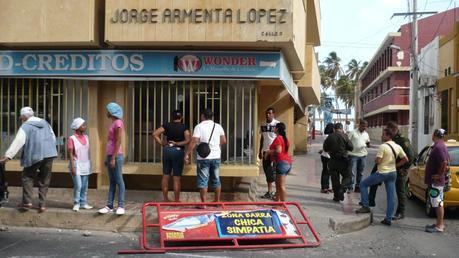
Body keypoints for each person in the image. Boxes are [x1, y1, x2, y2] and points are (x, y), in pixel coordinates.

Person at [0, 107, 57, 213]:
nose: (20, 118)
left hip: (35, 155)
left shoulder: (25, 126)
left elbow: (18, 141)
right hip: (50, 154)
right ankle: (42, 205)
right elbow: (53, 137)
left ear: (23, 116)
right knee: (44, 180)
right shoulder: (45, 123)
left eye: (21, 116)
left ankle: (27, 202)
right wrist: (50, 149)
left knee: (27, 177)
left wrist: (8, 156)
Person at [356, 128, 408, 226]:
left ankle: (365, 205)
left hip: (382, 173)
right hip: (393, 173)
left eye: (383, 134)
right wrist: (395, 166)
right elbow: (405, 159)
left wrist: (376, 159)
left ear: (388, 136)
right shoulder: (397, 146)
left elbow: (378, 161)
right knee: (391, 197)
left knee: (363, 184)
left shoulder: (383, 146)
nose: (381, 136)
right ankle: (388, 219)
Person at [369, 121, 415, 219]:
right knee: (372, 180)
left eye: (389, 130)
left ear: (394, 130)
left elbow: (410, 157)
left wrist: (404, 168)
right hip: (384, 166)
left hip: (398, 169)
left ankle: (400, 212)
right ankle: (370, 201)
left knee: (400, 190)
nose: (387, 132)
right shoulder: (390, 138)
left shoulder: (402, 140)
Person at [184, 109, 226, 203]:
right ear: (212, 117)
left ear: (202, 116)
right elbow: (223, 140)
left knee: (203, 180)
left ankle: (203, 204)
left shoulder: (199, 127)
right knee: (216, 179)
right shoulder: (218, 126)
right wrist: (214, 145)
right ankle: (217, 201)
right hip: (216, 156)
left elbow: (194, 140)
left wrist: (187, 154)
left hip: (203, 157)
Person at [153, 110, 191, 202]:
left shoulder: (167, 125)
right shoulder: (184, 127)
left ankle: (165, 199)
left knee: (166, 176)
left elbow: (155, 134)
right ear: (181, 117)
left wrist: (162, 143)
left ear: (172, 117)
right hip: (178, 151)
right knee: (176, 178)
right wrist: (177, 143)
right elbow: (188, 140)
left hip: (167, 150)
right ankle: (177, 200)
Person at [98, 103, 126, 215]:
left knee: (119, 180)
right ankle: (109, 205)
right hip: (110, 155)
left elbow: (118, 141)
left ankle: (121, 205)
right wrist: (108, 157)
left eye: (108, 110)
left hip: (116, 155)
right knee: (112, 181)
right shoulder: (113, 122)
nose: (106, 112)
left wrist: (113, 157)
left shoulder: (118, 123)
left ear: (112, 112)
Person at [425, 129, 449, 233]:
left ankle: (439, 226)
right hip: (437, 182)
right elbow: (447, 161)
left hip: (436, 183)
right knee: (438, 203)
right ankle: (440, 223)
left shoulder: (438, 147)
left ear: (435, 135)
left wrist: (438, 175)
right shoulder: (442, 145)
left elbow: (444, 162)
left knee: (437, 203)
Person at [323, 123, 353, 202]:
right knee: (348, 176)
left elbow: (325, 148)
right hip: (344, 160)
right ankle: (342, 189)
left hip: (333, 161)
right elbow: (351, 147)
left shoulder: (330, 137)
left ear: (334, 129)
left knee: (334, 179)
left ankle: (336, 197)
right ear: (342, 129)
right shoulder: (345, 136)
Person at [68, 118, 93, 212]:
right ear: (77, 127)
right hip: (76, 164)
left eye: (85, 124)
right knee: (78, 185)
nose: (85, 126)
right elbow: (70, 153)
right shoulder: (72, 139)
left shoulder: (86, 137)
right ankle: (76, 203)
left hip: (86, 164)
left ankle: (83, 203)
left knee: (84, 186)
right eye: (83, 125)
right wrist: (73, 166)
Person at [265, 123, 292, 201]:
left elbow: (278, 151)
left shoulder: (279, 138)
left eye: (274, 127)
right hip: (286, 162)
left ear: (277, 129)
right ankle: (277, 201)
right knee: (278, 184)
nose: (273, 129)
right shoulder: (284, 138)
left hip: (282, 163)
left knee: (281, 185)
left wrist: (268, 152)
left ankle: (283, 204)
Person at [258, 107, 279, 199]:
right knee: (267, 171)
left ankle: (277, 192)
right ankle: (270, 192)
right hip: (265, 151)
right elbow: (262, 138)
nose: (268, 115)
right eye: (266, 113)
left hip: (274, 152)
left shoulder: (277, 124)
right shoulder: (262, 124)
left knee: (274, 172)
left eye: (270, 113)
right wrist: (260, 150)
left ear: (273, 114)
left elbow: (280, 138)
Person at [347, 119, 370, 193]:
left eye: (366, 126)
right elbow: (347, 141)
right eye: (363, 126)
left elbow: (367, 142)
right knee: (352, 172)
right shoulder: (352, 132)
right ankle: (350, 187)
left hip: (363, 155)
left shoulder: (366, 134)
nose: (365, 128)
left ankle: (358, 187)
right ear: (359, 125)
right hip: (353, 155)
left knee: (361, 172)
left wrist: (368, 144)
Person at [319, 123, 335, 193]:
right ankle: (324, 188)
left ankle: (327, 187)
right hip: (326, 156)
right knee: (326, 172)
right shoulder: (327, 136)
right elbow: (327, 147)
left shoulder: (329, 136)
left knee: (328, 172)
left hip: (326, 155)